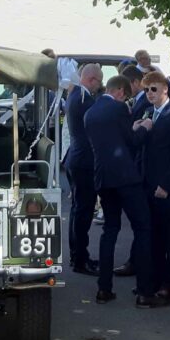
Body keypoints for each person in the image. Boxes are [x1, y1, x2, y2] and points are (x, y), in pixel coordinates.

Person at [83, 75, 166, 307]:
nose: (127, 98)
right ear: (120, 91)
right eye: (126, 94)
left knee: (110, 230)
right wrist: (145, 127)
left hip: (103, 177)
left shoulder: (90, 112)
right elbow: (131, 141)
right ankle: (144, 292)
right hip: (126, 178)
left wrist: (132, 127)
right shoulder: (119, 108)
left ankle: (104, 288)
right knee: (143, 228)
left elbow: (112, 139)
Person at [133, 71, 170, 299]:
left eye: (153, 89)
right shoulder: (150, 112)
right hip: (148, 184)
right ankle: (153, 281)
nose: (149, 94)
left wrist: (165, 185)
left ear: (165, 89)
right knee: (153, 236)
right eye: (146, 90)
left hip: (168, 187)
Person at [64, 63, 103, 275]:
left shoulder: (76, 95)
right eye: (99, 80)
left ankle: (78, 255)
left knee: (78, 210)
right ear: (91, 80)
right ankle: (80, 259)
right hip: (84, 162)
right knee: (83, 212)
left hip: (75, 159)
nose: (101, 85)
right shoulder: (83, 100)